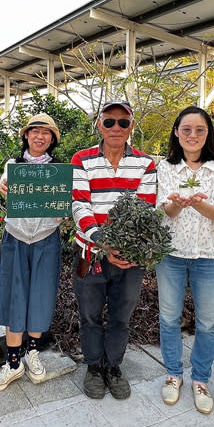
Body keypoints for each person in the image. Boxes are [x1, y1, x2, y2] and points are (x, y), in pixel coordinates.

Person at [71, 100, 157, 400]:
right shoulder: (82, 159)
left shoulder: (146, 164)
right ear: (99, 124)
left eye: (123, 122)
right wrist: (103, 244)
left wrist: (126, 250)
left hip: (130, 257)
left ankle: (114, 366)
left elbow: (146, 208)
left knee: (121, 316)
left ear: (132, 125)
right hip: (90, 253)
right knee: (90, 315)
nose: (116, 128)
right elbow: (79, 204)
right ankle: (94, 366)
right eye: (109, 122)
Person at [156, 106, 214, 415]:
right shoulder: (166, 167)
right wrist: (176, 204)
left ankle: (200, 379)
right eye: (186, 129)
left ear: (208, 133)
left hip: (211, 254)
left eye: (199, 130)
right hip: (171, 254)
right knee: (169, 318)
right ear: (176, 132)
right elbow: (166, 212)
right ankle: (173, 374)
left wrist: (197, 204)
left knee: (207, 322)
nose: (192, 135)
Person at [0, 114, 64, 392]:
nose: (40, 137)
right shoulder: (14, 165)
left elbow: (65, 202)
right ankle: (13, 361)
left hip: (47, 237)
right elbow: (6, 186)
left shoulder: (59, 169)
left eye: (46, 133)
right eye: (35, 131)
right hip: (16, 237)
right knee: (13, 295)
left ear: (52, 139)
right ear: (26, 135)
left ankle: (32, 351)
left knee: (41, 294)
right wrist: (4, 187)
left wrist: (63, 210)